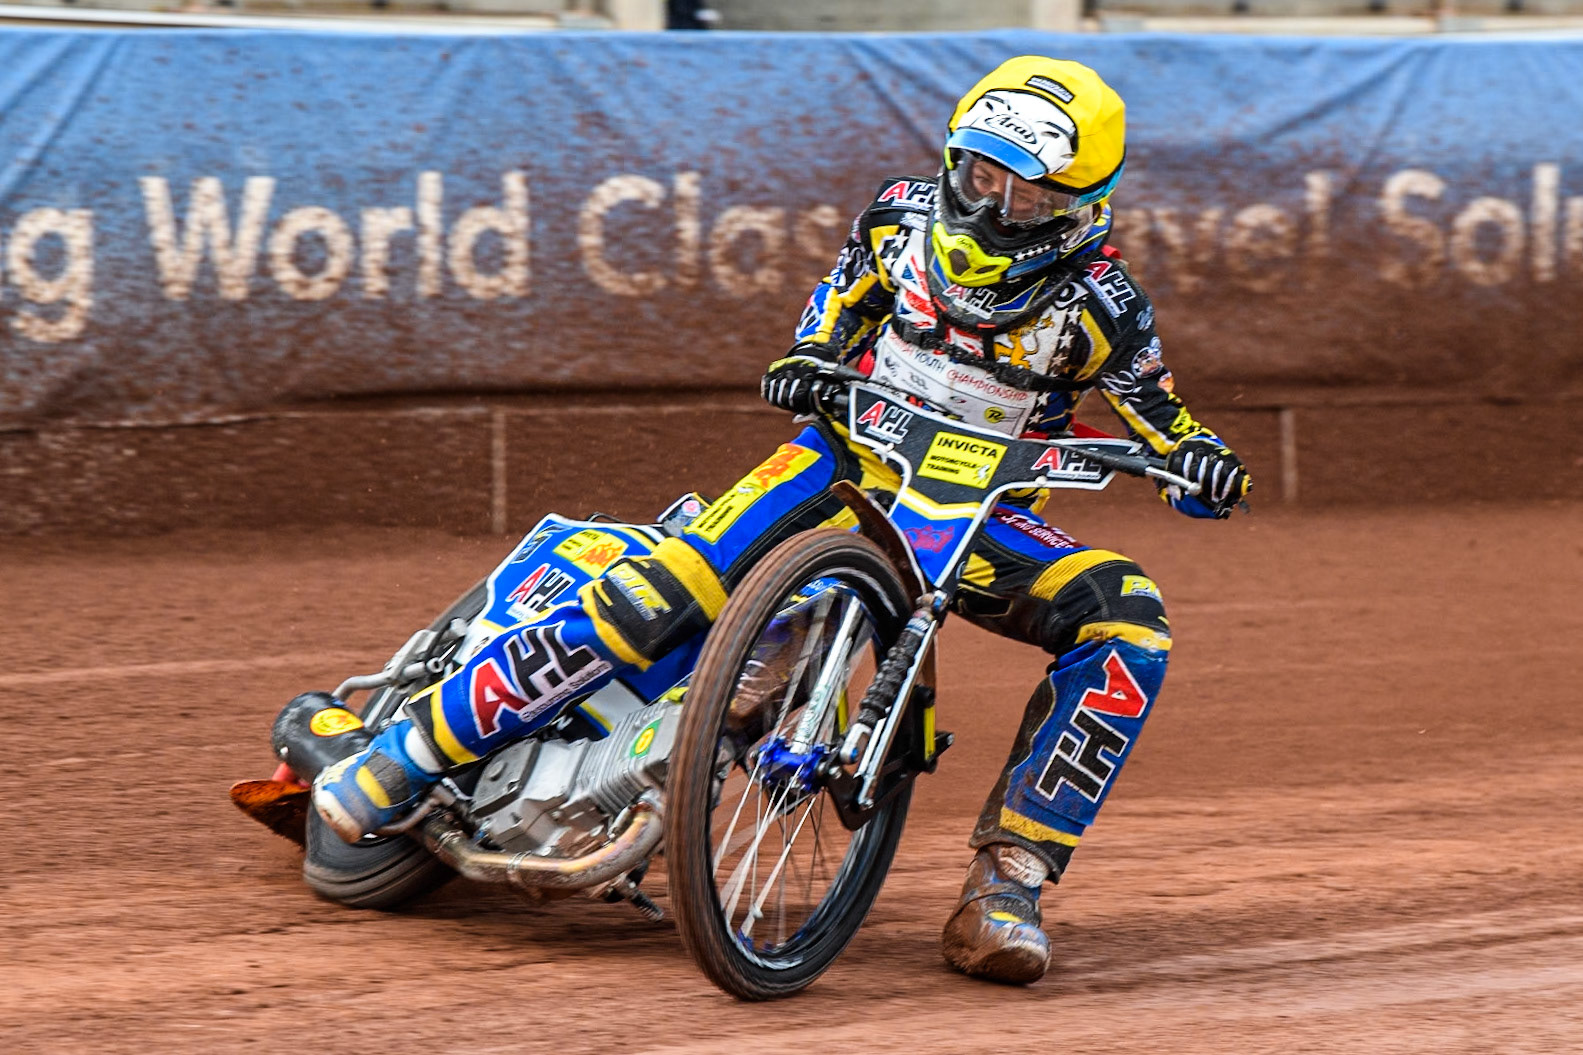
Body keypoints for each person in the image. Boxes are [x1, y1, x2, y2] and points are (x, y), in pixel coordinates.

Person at [313, 55, 1249, 986]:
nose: (995, 203)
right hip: (840, 460)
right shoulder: (896, 218)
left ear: (1086, 205)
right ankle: (411, 751)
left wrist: (1198, 467)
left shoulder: (1104, 306)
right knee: (662, 588)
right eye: (979, 173)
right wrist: (807, 358)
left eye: (1028, 194)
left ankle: (1007, 885)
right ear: (952, 159)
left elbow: (1160, 421)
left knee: (1128, 621)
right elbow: (829, 319)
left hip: (979, 513)